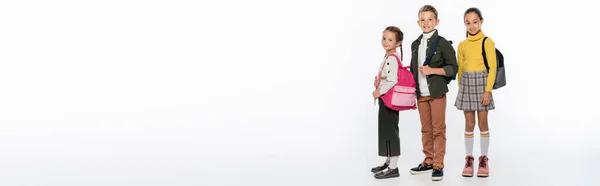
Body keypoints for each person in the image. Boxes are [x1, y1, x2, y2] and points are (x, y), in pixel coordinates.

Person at [408, 5, 458, 181]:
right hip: (421, 95)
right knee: (425, 130)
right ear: (418, 22)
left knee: (438, 130)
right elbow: (414, 71)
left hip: (436, 93)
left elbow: (453, 68)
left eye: (430, 19)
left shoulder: (442, 43)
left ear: (437, 22)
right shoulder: (415, 44)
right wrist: (411, 95)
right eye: (423, 19)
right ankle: (428, 161)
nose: (426, 23)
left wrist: (432, 71)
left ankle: (438, 165)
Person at [455, 7, 496, 178]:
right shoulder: (462, 45)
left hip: (482, 84)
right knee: (469, 123)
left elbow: (492, 67)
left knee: (483, 123)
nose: (471, 26)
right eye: (468, 23)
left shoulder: (487, 41)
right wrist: (461, 88)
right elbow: (460, 69)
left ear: (481, 21)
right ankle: (469, 158)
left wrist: (488, 90)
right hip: (467, 85)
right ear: (464, 24)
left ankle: (484, 158)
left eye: (475, 22)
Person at [370, 26, 405, 179]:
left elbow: (393, 80)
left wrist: (379, 91)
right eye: (384, 38)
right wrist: (380, 80)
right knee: (386, 130)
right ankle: (388, 161)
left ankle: (393, 167)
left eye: (390, 39)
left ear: (398, 43)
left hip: (389, 99)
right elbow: (388, 77)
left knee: (390, 131)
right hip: (387, 99)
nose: (385, 41)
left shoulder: (391, 58)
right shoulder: (388, 56)